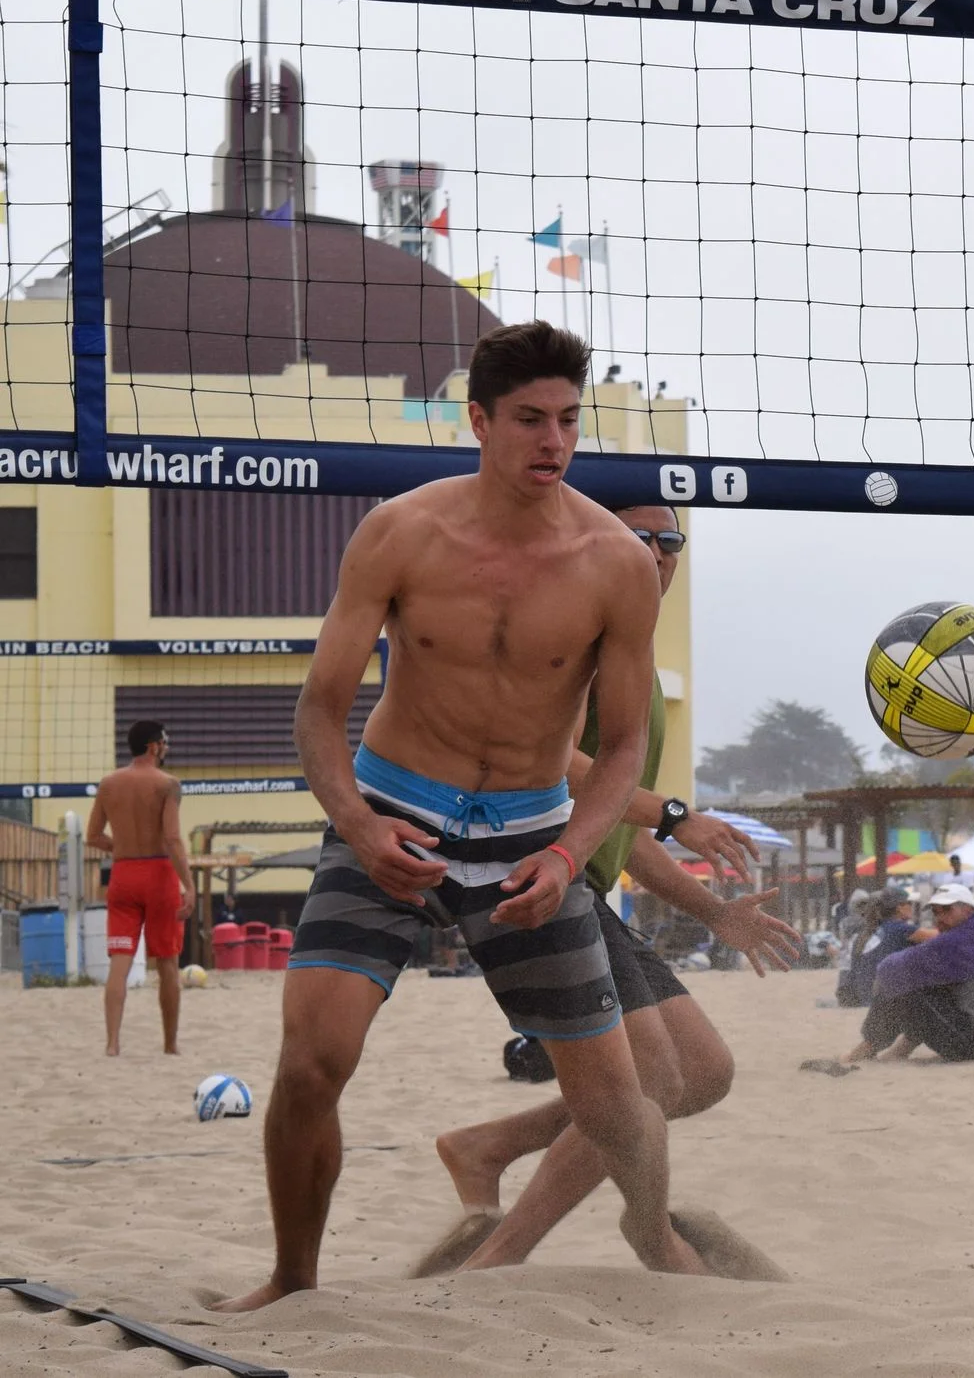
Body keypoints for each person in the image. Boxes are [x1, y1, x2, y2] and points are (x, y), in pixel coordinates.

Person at [215, 322, 704, 1312]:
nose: (553, 440)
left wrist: (570, 854)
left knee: (618, 1104)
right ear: (476, 420)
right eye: (529, 418)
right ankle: (292, 1279)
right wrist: (354, 822)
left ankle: (650, 1229)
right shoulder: (401, 531)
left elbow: (616, 752)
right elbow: (319, 707)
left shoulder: (614, 561)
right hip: (395, 810)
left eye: (568, 419)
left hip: (533, 834)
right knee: (313, 1059)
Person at [419, 502, 804, 1276]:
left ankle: (487, 1145)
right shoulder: (574, 633)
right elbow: (554, 757)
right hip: (534, 872)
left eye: (671, 541)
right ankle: (506, 1253)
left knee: (703, 1070)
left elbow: (616, 824)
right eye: (640, 538)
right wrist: (674, 813)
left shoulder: (634, 652)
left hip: (587, 884)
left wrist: (711, 907)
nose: (659, 554)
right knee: (651, 1080)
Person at [87, 720, 191, 1057]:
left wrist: (122, 848)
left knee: (120, 961)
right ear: (153, 746)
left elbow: (93, 837)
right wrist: (188, 885)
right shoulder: (168, 785)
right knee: (167, 964)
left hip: (123, 874)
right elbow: (173, 839)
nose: (166, 747)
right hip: (159, 874)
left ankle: (112, 1043)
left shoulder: (108, 784)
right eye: (164, 742)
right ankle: (171, 1044)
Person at [845, 885, 974, 1062]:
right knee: (925, 986)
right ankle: (898, 1051)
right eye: (936, 912)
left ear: (969, 910)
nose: (940, 918)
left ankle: (866, 1049)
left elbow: (887, 968)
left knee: (906, 989)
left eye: (947, 910)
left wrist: (881, 986)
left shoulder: (954, 941)